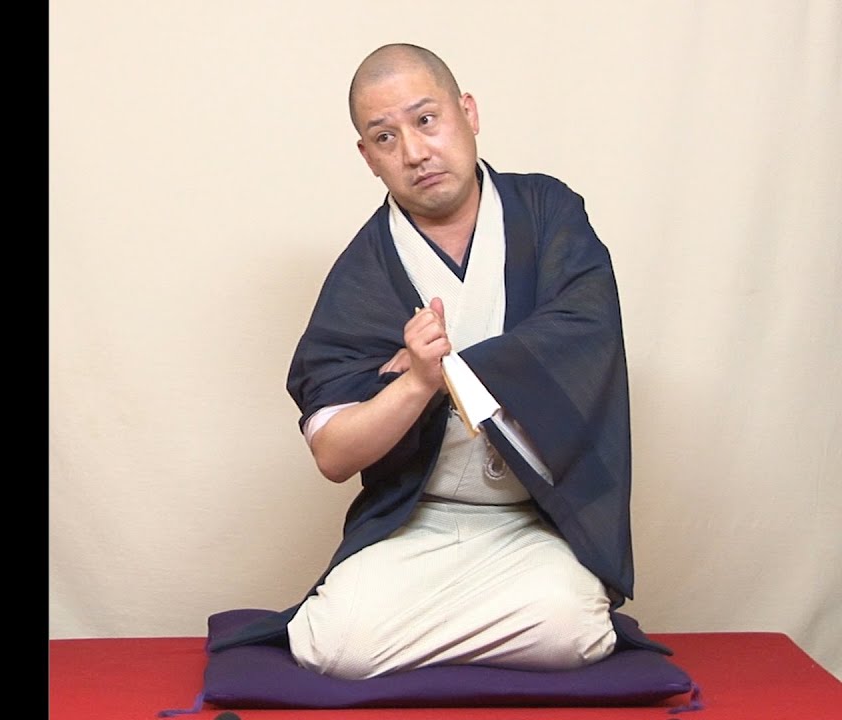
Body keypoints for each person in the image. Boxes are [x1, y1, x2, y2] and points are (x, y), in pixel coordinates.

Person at [207, 43, 672, 680]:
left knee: (572, 626)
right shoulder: (364, 272)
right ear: (368, 157)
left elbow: (585, 335)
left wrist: (455, 370)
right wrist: (420, 382)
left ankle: (432, 638)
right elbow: (334, 455)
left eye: (426, 120)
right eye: (385, 137)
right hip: (415, 524)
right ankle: (483, 637)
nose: (414, 152)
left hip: (535, 521)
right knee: (332, 643)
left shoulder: (547, 212)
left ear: (468, 112)